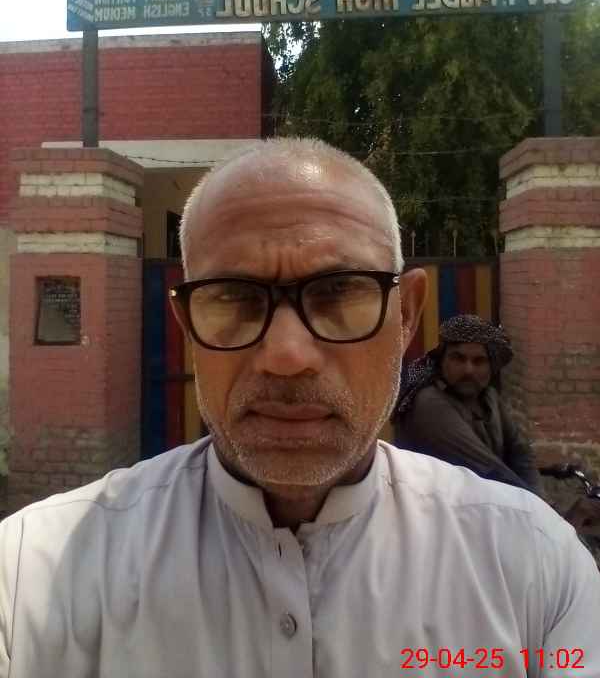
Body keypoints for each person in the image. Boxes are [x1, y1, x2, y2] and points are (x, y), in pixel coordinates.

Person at [0, 138, 598, 678]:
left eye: (339, 293)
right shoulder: (34, 573)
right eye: (234, 297)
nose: (287, 356)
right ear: (186, 323)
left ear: (407, 315)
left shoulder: (532, 568)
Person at [394, 314, 543, 494]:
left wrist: (539, 497)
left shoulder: (489, 396)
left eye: (479, 361)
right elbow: (487, 469)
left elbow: (520, 452)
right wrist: (537, 505)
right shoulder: (429, 403)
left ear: (491, 367)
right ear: (442, 361)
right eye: (458, 359)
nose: (468, 370)